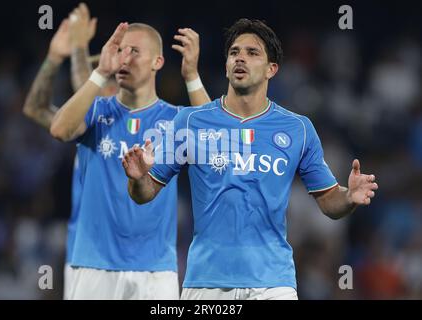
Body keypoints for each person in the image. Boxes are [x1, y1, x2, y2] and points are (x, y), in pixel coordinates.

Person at [122, 18, 379, 300]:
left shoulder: (297, 129)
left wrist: (349, 198)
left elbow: (329, 201)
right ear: (227, 65)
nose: (240, 57)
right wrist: (137, 179)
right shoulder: (190, 121)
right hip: (207, 282)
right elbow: (145, 193)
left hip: (273, 282)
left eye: (252, 53)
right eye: (234, 52)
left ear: (272, 69)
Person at [49, 19, 211, 299]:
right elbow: (59, 129)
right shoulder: (96, 110)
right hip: (93, 265)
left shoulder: (173, 118)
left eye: (134, 51)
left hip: (155, 270)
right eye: (120, 50)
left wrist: (191, 76)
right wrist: (99, 73)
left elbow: (214, 144)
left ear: (157, 62)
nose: (124, 57)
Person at [23, 3, 110, 299]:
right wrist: (54, 57)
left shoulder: (149, 124)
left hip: (136, 262)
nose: (99, 81)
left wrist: (78, 50)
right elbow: (35, 108)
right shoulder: (86, 127)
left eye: (107, 75)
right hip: (83, 256)